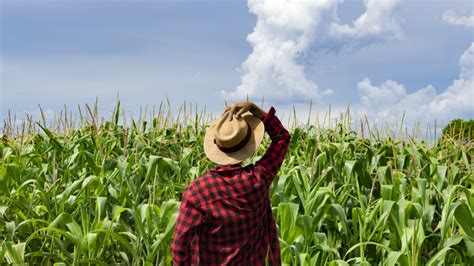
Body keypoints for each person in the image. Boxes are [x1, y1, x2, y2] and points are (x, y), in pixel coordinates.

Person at [171, 102, 291, 265]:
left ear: (217, 145)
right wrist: (254, 110)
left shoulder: (197, 192)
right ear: (249, 143)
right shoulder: (259, 180)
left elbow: (180, 247)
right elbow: (281, 138)